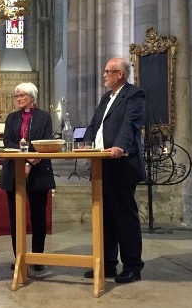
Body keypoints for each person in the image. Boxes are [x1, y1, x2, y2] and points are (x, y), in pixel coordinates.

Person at [82, 57, 145, 284]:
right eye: (105, 71)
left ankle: (132, 266)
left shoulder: (134, 94)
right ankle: (107, 263)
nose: (104, 75)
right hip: (101, 163)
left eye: (108, 72)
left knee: (124, 217)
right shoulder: (105, 97)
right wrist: (86, 143)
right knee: (104, 217)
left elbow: (131, 123)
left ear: (120, 74)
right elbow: (94, 124)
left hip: (121, 162)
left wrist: (120, 145)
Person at [0, 82, 56, 272]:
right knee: (15, 217)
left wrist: (30, 163)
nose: (19, 99)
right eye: (17, 96)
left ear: (32, 97)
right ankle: (19, 257)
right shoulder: (12, 118)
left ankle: (37, 256)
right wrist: (24, 156)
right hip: (13, 170)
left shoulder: (44, 117)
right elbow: (7, 141)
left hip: (38, 172)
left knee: (38, 216)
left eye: (22, 95)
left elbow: (45, 142)